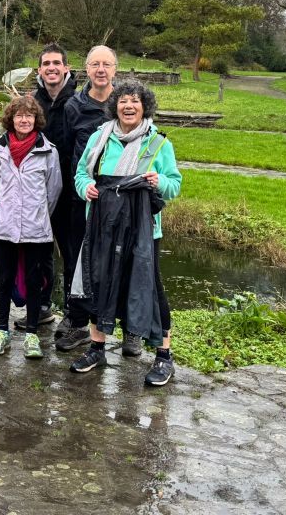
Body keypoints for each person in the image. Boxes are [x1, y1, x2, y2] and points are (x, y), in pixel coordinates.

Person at [68, 79, 182, 387]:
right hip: (102, 226)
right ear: (114, 106)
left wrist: (159, 181)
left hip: (144, 232)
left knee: (150, 288)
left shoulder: (158, 143)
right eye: (123, 101)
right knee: (99, 283)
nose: (128, 106)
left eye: (135, 101)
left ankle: (163, 356)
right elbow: (81, 174)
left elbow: (174, 185)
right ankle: (97, 349)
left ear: (144, 107)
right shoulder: (100, 139)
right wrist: (86, 188)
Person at [0, 95, 62, 359]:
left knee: (33, 280)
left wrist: (37, 213)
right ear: (11, 118)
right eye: (19, 115)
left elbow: (53, 190)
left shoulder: (48, 151)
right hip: (5, 226)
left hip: (35, 227)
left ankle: (31, 333)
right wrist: (8, 210)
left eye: (29, 115)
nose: (24, 120)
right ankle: (1, 330)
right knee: (3, 279)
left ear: (36, 119)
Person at [56, 44, 118, 352]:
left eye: (107, 64)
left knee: (118, 258)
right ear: (87, 69)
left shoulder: (126, 103)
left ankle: (123, 324)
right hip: (81, 197)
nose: (101, 70)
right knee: (76, 258)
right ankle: (76, 318)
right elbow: (69, 152)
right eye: (95, 64)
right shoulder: (74, 106)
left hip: (118, 199)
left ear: (115, 69)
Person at [20, 43, 76, 332]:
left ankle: (72, 312)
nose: (51, 68)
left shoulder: (78, 100)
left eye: (56, 63)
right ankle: (41, 307)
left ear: (66, 67)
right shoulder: (32, 102)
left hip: (71, 193)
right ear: (39, 70)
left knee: (71, 252)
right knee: (40, 253)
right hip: (37, 192)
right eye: (46, 64)